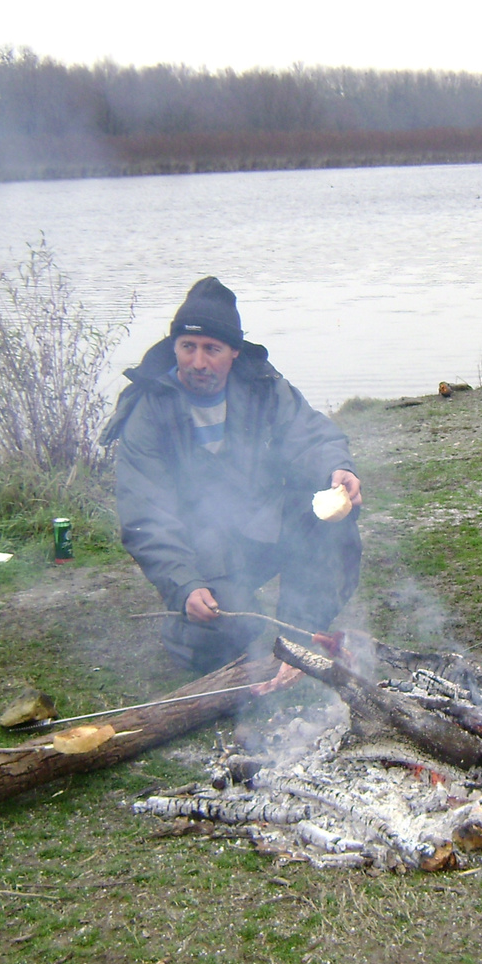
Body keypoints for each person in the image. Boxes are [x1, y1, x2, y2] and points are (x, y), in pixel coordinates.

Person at [102, 277, 362, 671]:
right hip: (199, 552)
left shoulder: (263, 387)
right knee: (220, 641)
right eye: (188, 347)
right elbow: (146, 517)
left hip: (261, 529)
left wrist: (338, 468)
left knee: (330, 517)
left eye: (212, 349)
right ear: (174, 347)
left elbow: (312, 438)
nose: (198, 362)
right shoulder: (150, 410)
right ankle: (187, 628)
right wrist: (184, 584)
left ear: (234, 352)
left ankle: (300, 635)